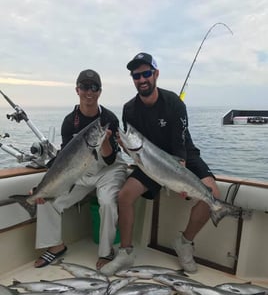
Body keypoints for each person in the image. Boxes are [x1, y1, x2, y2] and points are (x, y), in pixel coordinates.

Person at [100, 52, 220, 276]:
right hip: (148, 159)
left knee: (212, 193)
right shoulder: (129, 109)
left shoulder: (174, 103)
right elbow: (133, 149)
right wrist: (125, 146)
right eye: (136, 76)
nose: (142, 79)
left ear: (156, 74)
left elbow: (180, 148)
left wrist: (178, 182)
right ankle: (125, 253)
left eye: (146, 73)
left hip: (181, 155)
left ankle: (184, 242)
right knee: (124, 196)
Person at [34, 69, 127, 269]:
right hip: (81, 169)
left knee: (108, 202)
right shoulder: (70, 121)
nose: (89, 92)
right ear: (77, 90)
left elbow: (110, 159)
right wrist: (42, 187)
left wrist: (104, 143)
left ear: (100, 92)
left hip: (109, 170)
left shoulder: (109, 118)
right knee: (48, 200)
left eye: (94, 88)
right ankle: (56, 247)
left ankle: (106, 252)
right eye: (84, 87)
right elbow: (63, 159)